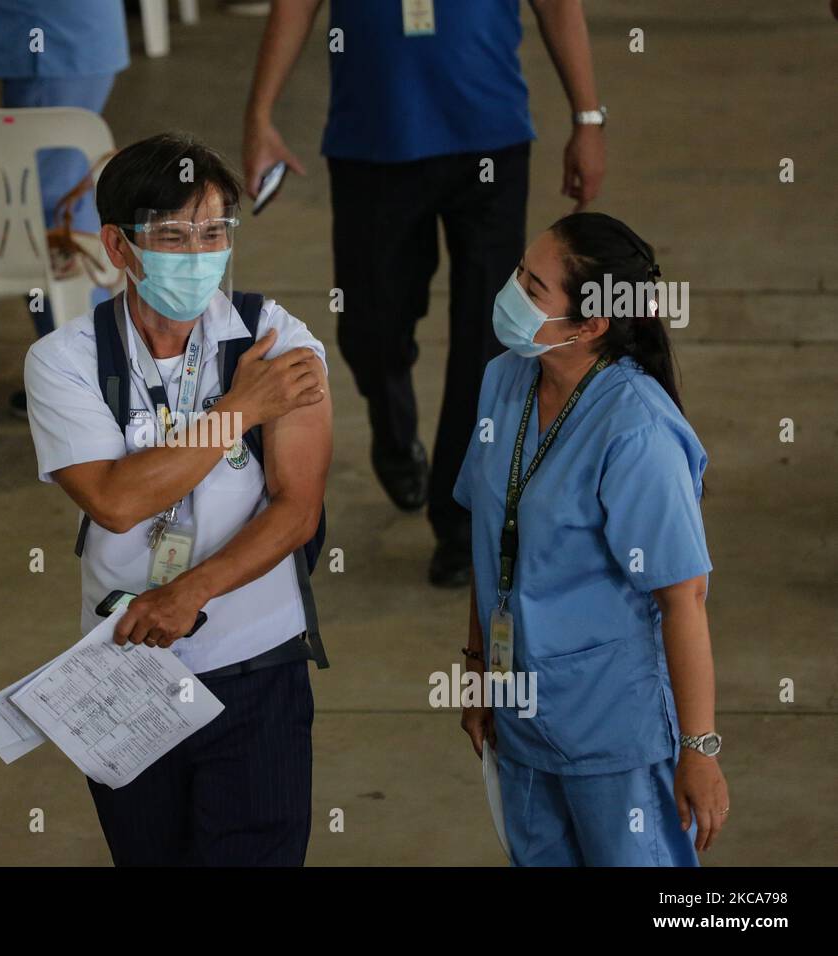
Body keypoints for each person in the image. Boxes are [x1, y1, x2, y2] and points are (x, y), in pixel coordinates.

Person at [24, 133, 332, 865]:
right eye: (171, 235)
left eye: (215, 231)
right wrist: (237, 411)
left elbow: (296, 510)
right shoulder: (65, 360)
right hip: (124, 669)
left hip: (256, 669)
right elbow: (115, 501)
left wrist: (188, 592)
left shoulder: (278, 341)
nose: (198, 254)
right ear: (119, 246)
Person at [243, 0, 607, 586]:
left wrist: (587, 120)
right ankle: (394, 433)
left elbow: (559, 8)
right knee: (369, 328)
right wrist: (259, 116)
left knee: (489, 340)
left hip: (490, 138)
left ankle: (461, 520)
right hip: (373, 141)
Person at [454, 212, 729, 866]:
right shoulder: (504, 383)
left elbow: (683, 598)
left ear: (590, 324)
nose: (513, 294)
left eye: (535, 288)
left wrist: (699, 749)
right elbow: (489, 537)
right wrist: (477, 673)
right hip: (522, 722)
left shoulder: (636, 432)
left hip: (612, 735)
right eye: (520, 273)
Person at [0, 0, 130, 415]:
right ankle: (82, 378)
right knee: (58, 208)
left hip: (54, 45)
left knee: (46, 222)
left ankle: (86, 390)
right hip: (60, 41)